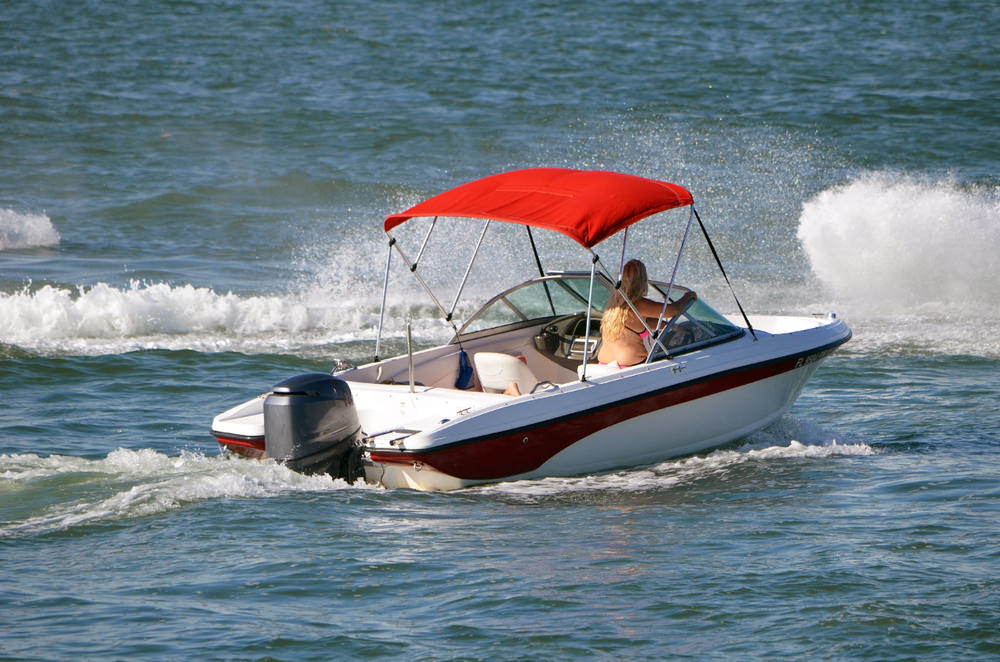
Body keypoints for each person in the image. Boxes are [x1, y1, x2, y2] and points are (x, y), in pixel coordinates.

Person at [597, 259, 697, 367]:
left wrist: (672, 327)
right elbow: (673, 310)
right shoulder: (638, 304)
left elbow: (643, 322)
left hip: (604, 363)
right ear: (642, 281)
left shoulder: (615, 303)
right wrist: (689, 296)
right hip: (631, 367)